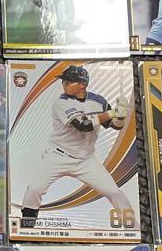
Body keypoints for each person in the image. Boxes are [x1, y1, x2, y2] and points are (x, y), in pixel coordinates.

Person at [19, 64, 134, 230]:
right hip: (57, 156)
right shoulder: (61, 101)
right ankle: (27, 228)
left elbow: (115, 126)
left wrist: (121, 116)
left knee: (114, 192)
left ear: (82, 84)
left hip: (86, 160)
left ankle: (132, 228)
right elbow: (82, 125)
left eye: (69, 81)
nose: (64, 84)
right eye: (64, 81)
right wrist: (112, 112)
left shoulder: (99, 101)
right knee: (34, 189)